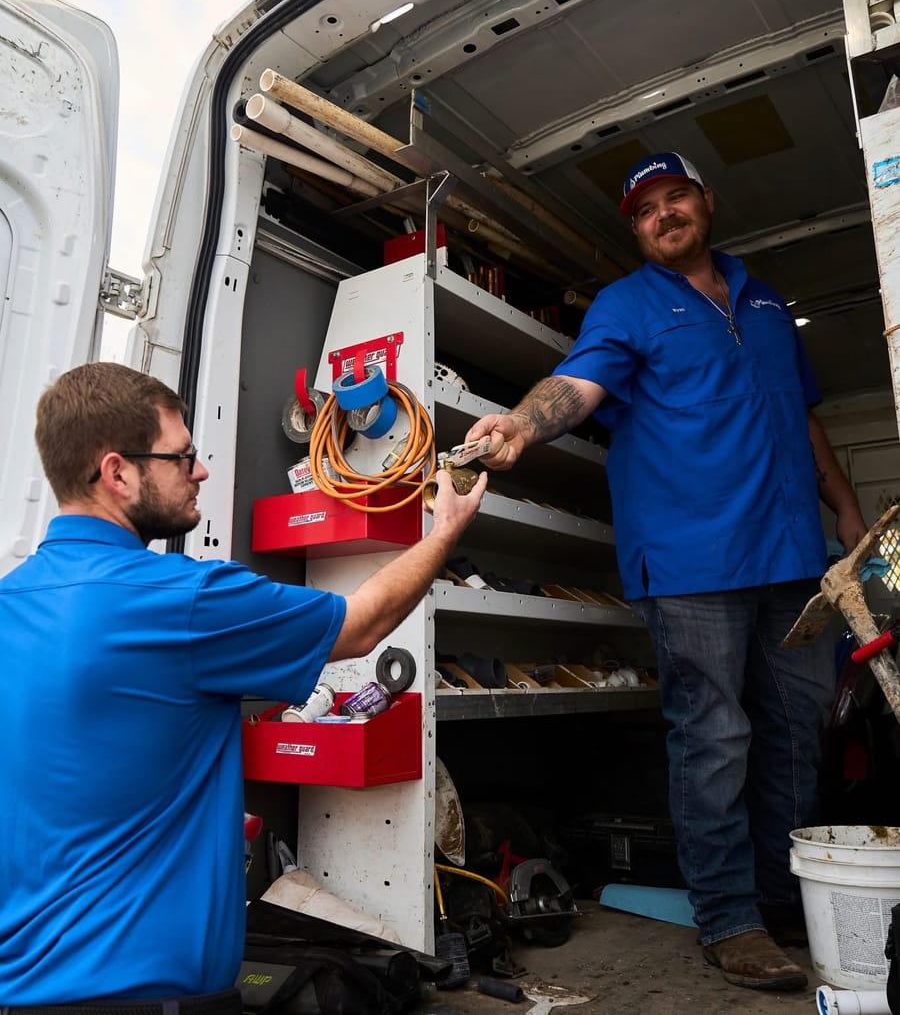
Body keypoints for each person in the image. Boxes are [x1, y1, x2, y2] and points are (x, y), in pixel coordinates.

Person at [466, 152, 867, 992]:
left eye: (674, 196)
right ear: (636, 229)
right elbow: (575, 386)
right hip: (690, 560)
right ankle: (728, 918)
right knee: (714, 736)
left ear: (705, 202)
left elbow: (800, 414)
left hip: (793, 554)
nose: (663, 214)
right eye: (644, 209)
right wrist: (522, 427)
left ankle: (778, 895)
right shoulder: (626, 306)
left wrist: (846, 506)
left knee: (797, 732)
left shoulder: (763, 301)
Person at [0, 361, 486, 1010]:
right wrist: (447, 528)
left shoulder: (11, 603)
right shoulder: (183, 601)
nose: (199, 470)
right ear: (117, 473)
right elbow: (362, 623)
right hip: (145, 997)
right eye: (182, 456)